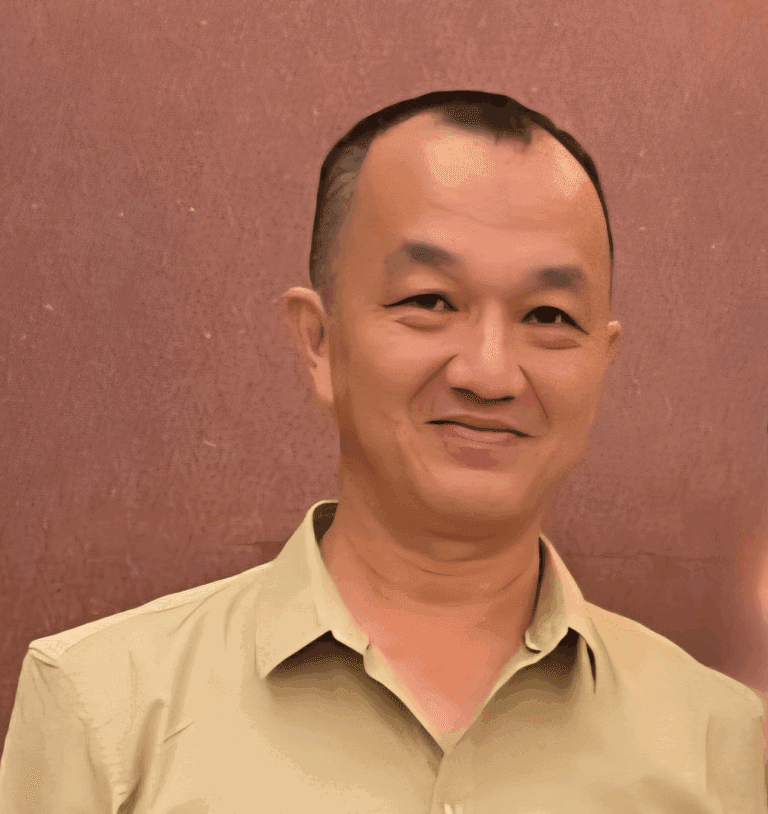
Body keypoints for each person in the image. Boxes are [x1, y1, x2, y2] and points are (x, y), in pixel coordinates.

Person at [0, 90, 765, 813]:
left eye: (548, 315)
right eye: (430, 301)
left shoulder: (720, 745)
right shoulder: (101, 709)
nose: (489, 373)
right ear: (318, 341)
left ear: (603, 360)